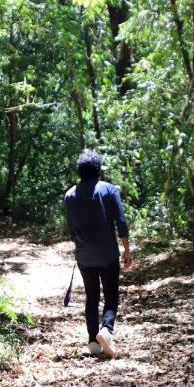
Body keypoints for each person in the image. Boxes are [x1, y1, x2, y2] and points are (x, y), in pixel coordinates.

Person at [63, 149, 131, 359]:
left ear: (80, 170)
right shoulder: (109, 190)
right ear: (98, 169)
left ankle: (93, 342)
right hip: (108, 254)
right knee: (111, 294)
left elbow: (72, 228)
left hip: (84, 256)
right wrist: (127, 251)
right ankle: (106, 330)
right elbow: (120, 222)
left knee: (91, 297)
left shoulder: (69, 195)